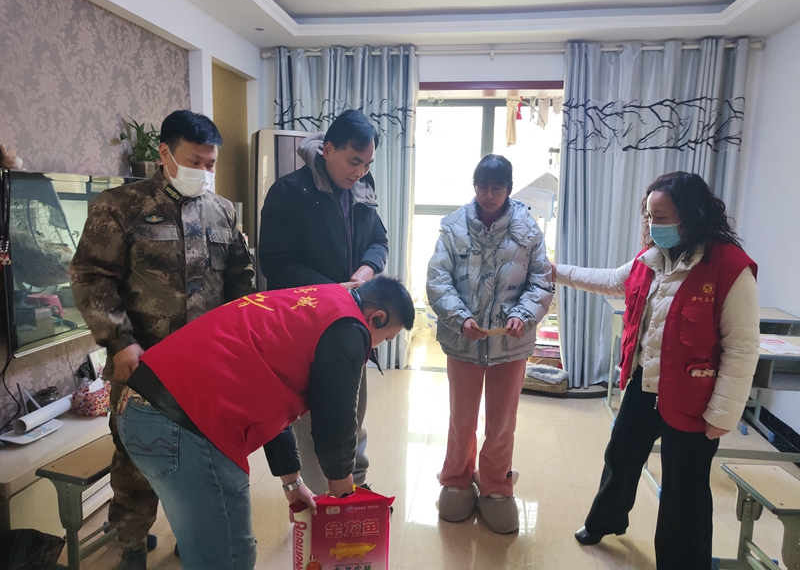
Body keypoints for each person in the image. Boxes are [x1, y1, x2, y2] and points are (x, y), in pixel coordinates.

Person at [116, 276, 415, 570]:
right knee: (231, 559)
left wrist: (292, 483)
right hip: (183, 425)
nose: (376, 346)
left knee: (209, 548)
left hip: (141, 408)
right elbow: (336, 421)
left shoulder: (321, 300)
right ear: (377, 317)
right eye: (385, 338)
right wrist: (344, 496)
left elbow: (272, 394)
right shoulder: (349, 327)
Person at [70, 110, 254, 569]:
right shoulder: (120, 207)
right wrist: (119, 341)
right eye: (195, 161)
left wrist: (245, 343)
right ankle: (130, 545)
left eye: (211, 164)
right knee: (137, 462)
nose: (204, 172)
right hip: (142, 364)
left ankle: (193, 535)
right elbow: (92, 276)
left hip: (207, 367)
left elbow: (241, 281)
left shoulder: (222, 211)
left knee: (202, 456)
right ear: (165, 153)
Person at [554, 171, 759, 570]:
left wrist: (722, 414)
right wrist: (554, 271)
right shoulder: (650, 259)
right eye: (649, 217)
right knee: (620, 457)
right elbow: (609, 281)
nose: (653, 225)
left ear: (692, 215)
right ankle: (605, 521)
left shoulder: (730, 267)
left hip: (694, 399)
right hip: (644, 385)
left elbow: (742, 347)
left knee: (685, 489)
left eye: (661, 218)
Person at [258, 109, 388, 494]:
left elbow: (379, 240)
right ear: (327, 149)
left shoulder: (362, 188)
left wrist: (366, 270)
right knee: (316, 417)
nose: (360, 172)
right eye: (354, 161)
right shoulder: (289, 192)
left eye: (367, 164)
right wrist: (334, 290)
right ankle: (324, 499)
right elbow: (276, 264)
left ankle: (355, 486)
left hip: (350, 319)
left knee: (352, 412)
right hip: (308, 326)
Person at [426, 154, 553, 534]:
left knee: (502, 422)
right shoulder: (453, 227)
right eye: (482, 186)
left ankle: (497, 485)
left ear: (509, 189)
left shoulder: (528, 229)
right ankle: (456, 479)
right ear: (474, 186)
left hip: (509, 346)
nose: (489, 194)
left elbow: (542, 281)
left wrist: (524, 315)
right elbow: (437, 279)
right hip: (463, 341)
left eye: (497, 187)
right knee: (461, 418)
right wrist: (460, 318)